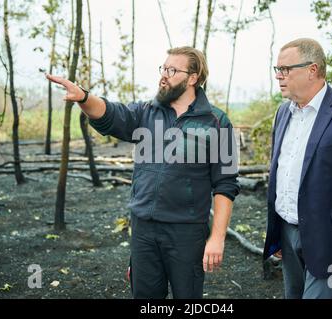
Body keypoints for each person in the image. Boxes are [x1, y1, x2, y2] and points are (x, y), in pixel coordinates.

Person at [46, 46, 240, 299]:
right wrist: (84, 97)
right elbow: (112, 115)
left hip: (186, 233)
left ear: (192, 78)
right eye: (163, 68)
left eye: (172, 70)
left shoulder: (216, 122)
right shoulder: (147, 112)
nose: (164, 75)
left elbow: (225, 184)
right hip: (143, 230)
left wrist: (217, 239)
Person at [262, 38, 332, 299]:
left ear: (312, 69)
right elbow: (279, 175)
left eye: (285, 69)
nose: (279, 76)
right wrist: (276, 234)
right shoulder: (283, 113)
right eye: (277, 70)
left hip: (331, 242)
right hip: (287, 234)